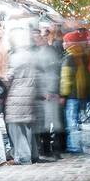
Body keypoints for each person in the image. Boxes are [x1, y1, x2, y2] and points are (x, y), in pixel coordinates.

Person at [4, 31, 40, 164]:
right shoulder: (31, 56)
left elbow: (8, 78)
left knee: (16, 127)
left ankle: (23, 157)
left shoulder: (15, 57)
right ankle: (33, 153)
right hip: (30, 94)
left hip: (17, 94)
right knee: (27, 127)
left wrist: (1, 76)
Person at [59, 30, 90, 152]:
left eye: (65, 42)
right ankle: (76, 144)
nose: (63, 44)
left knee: (71, 122)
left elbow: (66, 78)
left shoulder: (69, 57)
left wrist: (63, 94)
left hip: (71, 95)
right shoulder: (83, 55)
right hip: (81, 93)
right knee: (76, 122)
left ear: (70, 43)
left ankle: (74, 146)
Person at [32, 24, 64, 159]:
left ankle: (50, 149)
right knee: (48, 123)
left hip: (48, 92)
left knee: (49, 123)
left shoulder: (48, 52)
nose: (40, 39)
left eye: (42, 36)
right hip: (45, 92)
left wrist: (53, 91)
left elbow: (53, 73)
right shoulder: (42, 52)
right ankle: (48, 149)